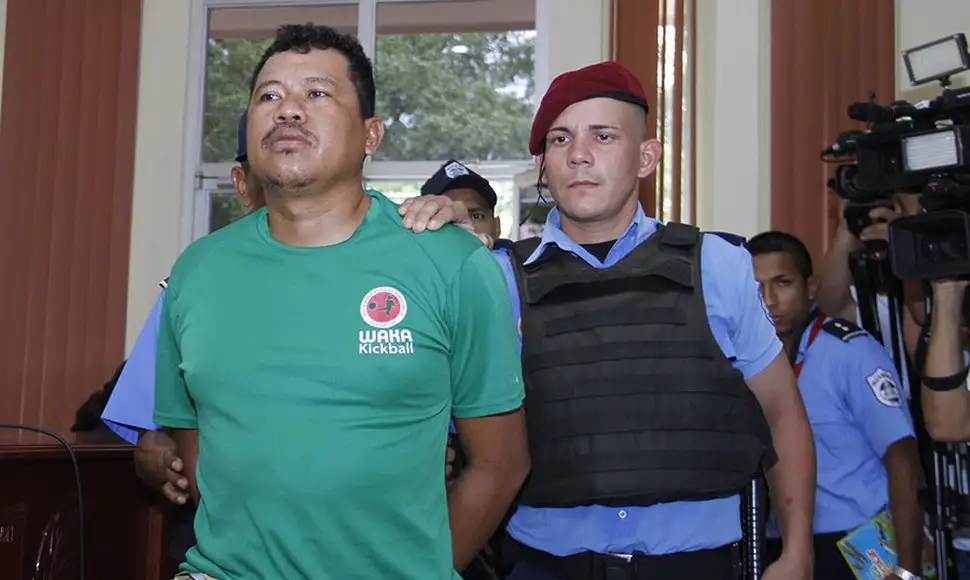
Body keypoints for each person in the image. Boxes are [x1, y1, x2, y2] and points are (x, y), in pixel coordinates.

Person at [401, 60, 817, 580]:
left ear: (646, 157)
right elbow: (430, 429)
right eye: (560, 139)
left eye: (603, 136)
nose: (578, 154)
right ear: (542, 165)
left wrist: (798, 551)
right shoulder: (495, 280)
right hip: (546, 568)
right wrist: (435, 252)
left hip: (698, 567)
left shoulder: (718, 265)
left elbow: (782, 415)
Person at [154, 23, 529, 580]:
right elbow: (194, 443)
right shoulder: (197, 272)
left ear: (371, 135)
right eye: (269, 96)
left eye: (317, 93)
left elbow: (500, 463)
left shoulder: (450, 263)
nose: (288, 109)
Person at [748, 231, 923, 580]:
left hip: (861, 544)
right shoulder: (747, 362)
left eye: (783, 283)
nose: (769, 300)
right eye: (757, 288)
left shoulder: (850, 351)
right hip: (780, 543)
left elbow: (903, 459)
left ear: (811, 287)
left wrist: (907, 571)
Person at [420, 159, 508, 245]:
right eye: (451, 220)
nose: (467, 228)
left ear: (497, 226)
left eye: (477, 216)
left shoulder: (514, 253)